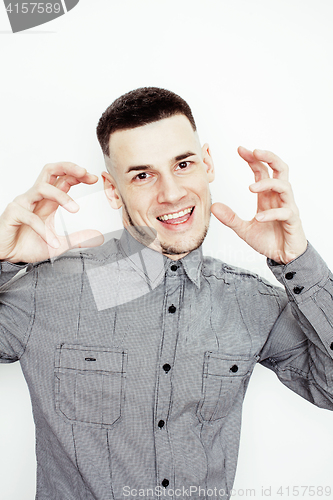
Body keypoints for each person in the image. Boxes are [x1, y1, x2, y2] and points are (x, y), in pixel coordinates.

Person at [0, 87, 332, 500]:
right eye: (142, 174)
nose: (172, 193)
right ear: (111, 188)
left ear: (206, 163)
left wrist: (297, 261)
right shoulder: (45, 290)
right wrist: (2, 262)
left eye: (183, 164)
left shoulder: (252, 303)